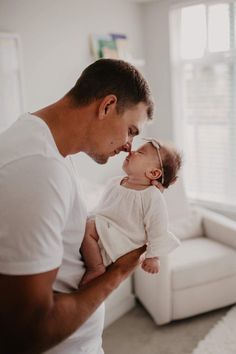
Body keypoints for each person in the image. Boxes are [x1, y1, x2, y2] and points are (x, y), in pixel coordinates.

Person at [0, 59, 154, 354]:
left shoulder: (47, 147)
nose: (129, 146)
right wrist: (119, 273)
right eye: (131, 130)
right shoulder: (37, 168)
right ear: (107, 105)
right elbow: (29, 331)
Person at [80, 138, 182, 285]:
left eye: (140, 152)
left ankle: (95, 268)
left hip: (125, 240)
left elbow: (157, 227)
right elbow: (103, 207)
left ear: (153, 173)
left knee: (88, 229)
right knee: (87, 224)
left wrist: (153, 256)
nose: (132, 151)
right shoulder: (115, 182)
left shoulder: (152, 196)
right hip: (108, 229)